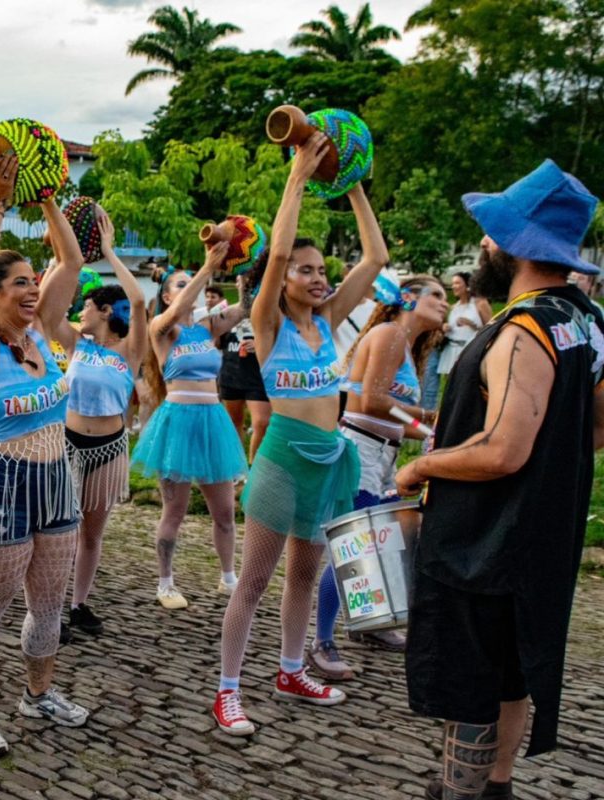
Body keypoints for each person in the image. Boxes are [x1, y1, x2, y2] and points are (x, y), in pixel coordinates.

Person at [392, 161, 604, 800]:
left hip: (486, 541)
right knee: (514, 671)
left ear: (515, 245)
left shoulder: (522, 330)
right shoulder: (585, 321)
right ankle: (498, 786)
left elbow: (504, 451)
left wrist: (423, 466)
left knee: (472, 679)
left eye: (491, 232)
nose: (483, 242)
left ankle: (461, 791)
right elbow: (596, 424)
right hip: (544, 534)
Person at [213, 133, 388, 736]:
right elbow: (280, 250)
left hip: (331, 463)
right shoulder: (268, 325)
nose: (317, 277)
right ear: (282, 281)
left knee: (305, 577)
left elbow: (376, 259)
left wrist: (350, 179)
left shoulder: (330, 321)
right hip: (284, 459)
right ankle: (228, 690)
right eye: (304, 270)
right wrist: (296, 180)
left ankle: (292, 669)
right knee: (256, 579)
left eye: (321, 270)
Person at [0, 154, 89, 756]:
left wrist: (48, 195)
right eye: (19, 283)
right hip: (0, 482)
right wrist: (0, 204)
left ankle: (38, 694)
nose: (33, 289)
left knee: (50, 601)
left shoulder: (43, 333)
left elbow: (74, 261)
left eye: (35, 281)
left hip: (57, 478)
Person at [307, 274, 447, 681]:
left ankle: (371, 624)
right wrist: (429, 420)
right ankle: (322, 640)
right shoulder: (388, 333)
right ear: (408, 298)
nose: (445, 303)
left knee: (377, 544)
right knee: (352, 548)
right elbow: (373, 400)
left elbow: (387, 414)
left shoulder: (404, 342)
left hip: (381, 450)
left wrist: (426, 433)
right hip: (362, 452)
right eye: (435, 295)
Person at [41, 206, 147, 638]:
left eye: (85, 306)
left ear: (103, 310)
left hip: (108, 449)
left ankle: (78, 605)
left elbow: (139, 301)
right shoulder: (76, 343)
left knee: (90, 534)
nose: (78, 313)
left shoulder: (129, 353)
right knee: (58, 532)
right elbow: (47, 315)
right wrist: (63, 260)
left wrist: (108, 251)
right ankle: (48, 608)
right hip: (66, 442)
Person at [132, 255, 249, 608]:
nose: (190, 289)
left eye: (190, 282)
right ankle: (165, 582)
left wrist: (245, 272)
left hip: (213, 420)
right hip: (178, 422)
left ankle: (229, 577)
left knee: (225, 512)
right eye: (180, 284)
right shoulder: (162, 329)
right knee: (175, 511)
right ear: (167, 296)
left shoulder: (208, 328)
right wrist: (209, 266)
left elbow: (245, 308)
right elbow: (182, 305)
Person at [218, 273, 271, 461]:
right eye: (242, 279)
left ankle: (254, 469)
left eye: (250, 279)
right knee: (233, 423)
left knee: (261, 422)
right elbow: (215, 339)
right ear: (237, 283)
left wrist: (261, 344)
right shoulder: (227, 312)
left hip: (257, 376)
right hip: (231, 372)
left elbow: (279, 338)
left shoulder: (266, 310)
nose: (245, 283)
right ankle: (236, 468)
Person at [437, 272, 491, 378]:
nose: (453, 286)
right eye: (452, 284)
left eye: (457, 283)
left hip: (470, 350)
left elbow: (492, 328)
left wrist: (472, 325)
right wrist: (445, 327)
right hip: (451, 351)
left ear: (467, 285)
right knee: (450, 386)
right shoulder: (453, 307)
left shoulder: (480, 303)